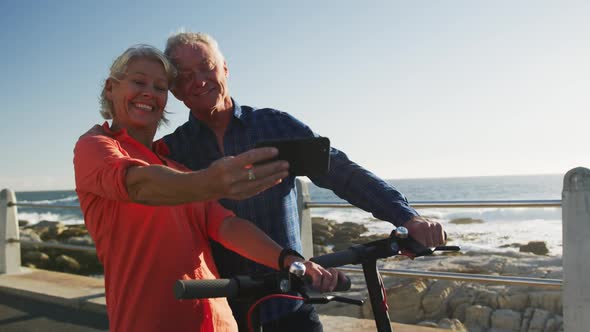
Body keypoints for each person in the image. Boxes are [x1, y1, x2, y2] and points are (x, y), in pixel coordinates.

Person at [147, 31, 447, 332]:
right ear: (174, 90)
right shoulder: (171, 150)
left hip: (289, 301)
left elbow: (340, 171)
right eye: (184, 76)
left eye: (205, 66)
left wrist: (407, 217)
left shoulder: (274, 124)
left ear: (224, 67)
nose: (198, 81)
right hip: (218, 313)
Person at [73, 44, 345, 332]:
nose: (149, 93)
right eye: (138, 82)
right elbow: (137, 184)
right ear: (110, 88)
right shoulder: (95, 146)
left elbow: (226, 225)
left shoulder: (175, 165)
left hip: (217, 321)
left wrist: (290, 261)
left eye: (160, 87)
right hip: (150, 321)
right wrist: (210, 182)